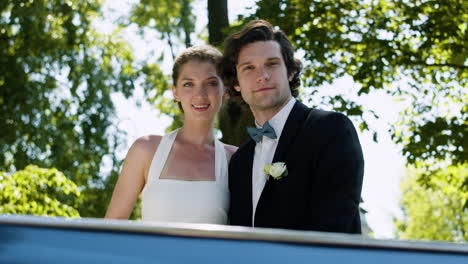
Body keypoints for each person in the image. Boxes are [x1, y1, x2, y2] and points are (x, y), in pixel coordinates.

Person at [219, 20, 364, 233]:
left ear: (290, 72)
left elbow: (332, 227)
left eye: (272, 64)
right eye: (249, 67)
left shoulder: (331, 130)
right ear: (236, 83)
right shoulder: (240, 161)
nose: (262, 75)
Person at [105, 45, 237, 224]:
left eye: (211, 83)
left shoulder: (235, 159)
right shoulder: (146, 150)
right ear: (175, 92)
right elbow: (112, 226)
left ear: (226, 91)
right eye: (188, 84)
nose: (200, 94)